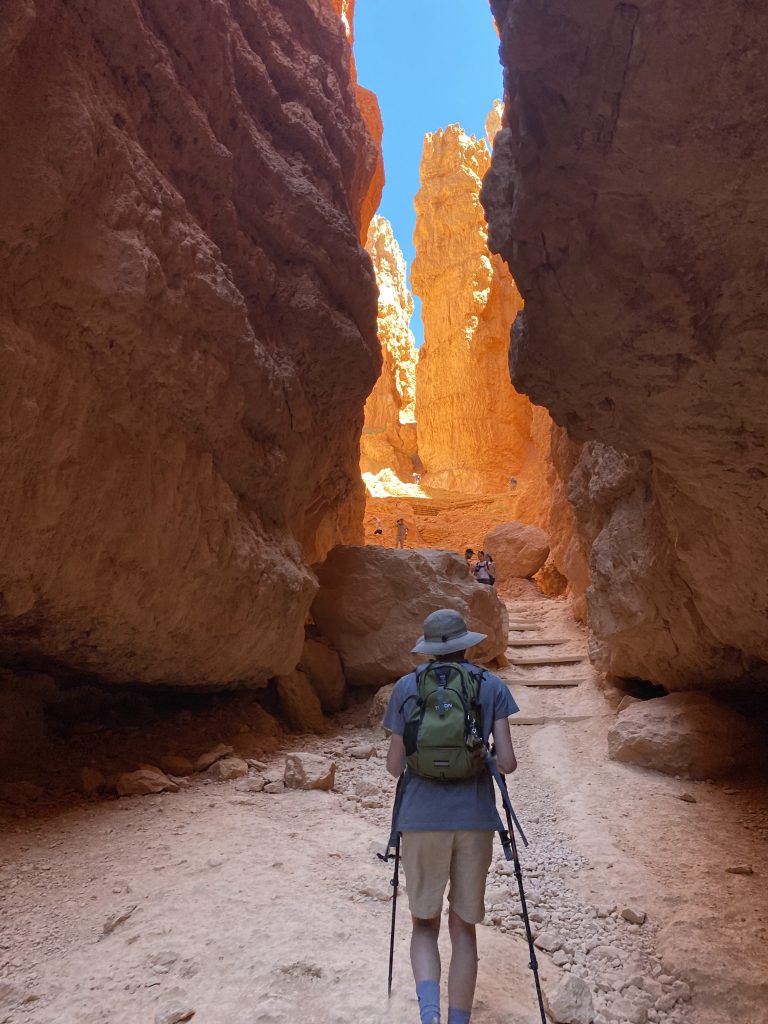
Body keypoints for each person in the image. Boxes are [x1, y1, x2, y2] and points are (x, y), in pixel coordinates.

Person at [384, 609, 519, 1024]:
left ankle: (429, 1015)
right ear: (466, 643)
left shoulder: (406, 688)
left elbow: (394, 766)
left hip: (421, 818)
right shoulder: (490, 685)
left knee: (424, 925)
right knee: (463, 928)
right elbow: (509, 763)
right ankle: (458, 1020)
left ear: (428, 648)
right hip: (475, 819)